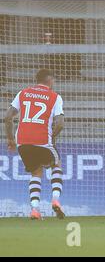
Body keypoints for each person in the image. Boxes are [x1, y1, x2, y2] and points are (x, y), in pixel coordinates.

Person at [4, 69, 66, 220]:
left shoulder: (23, 93)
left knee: (36, 172)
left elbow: (7, 117)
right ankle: (56, 199)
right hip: (43, 139)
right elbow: (60, 124)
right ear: (50, 80)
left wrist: (11, 139)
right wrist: (52, 136)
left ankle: (35, 210)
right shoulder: (55, 97)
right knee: (56, 165)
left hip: (23, 141)